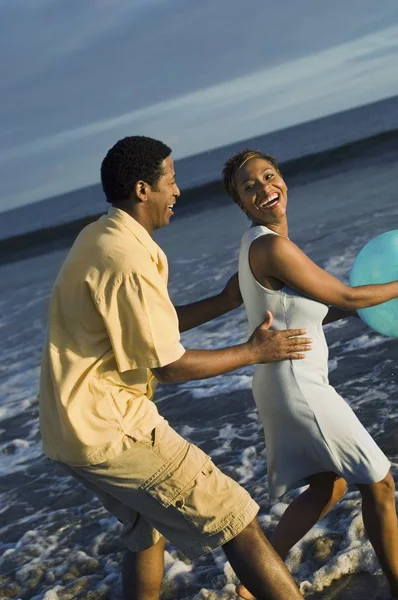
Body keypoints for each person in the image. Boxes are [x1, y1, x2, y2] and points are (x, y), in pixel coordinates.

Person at [38, 136, 313, 600]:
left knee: (146, 531)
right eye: (171, 180)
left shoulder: (100, 236)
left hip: (70, 429)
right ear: (144, 189)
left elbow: (146, 329)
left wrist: (226, 301)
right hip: (112, 427)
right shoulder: (127, 258)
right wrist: (254, 351)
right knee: (235, 516)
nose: (178, 191)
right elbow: (170, 367)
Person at [222, 148, 398, 600]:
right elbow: (349, 297)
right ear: (240, 202)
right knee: (380, 483)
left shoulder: (254, 244)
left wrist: (373, 305)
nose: (263, 188)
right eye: (249, 186)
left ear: (283, 179)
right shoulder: (271, 246)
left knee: (330, 483)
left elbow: (316, 311)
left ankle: (252, 584)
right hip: (298, 385)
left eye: (269, 176)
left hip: (282, 383)